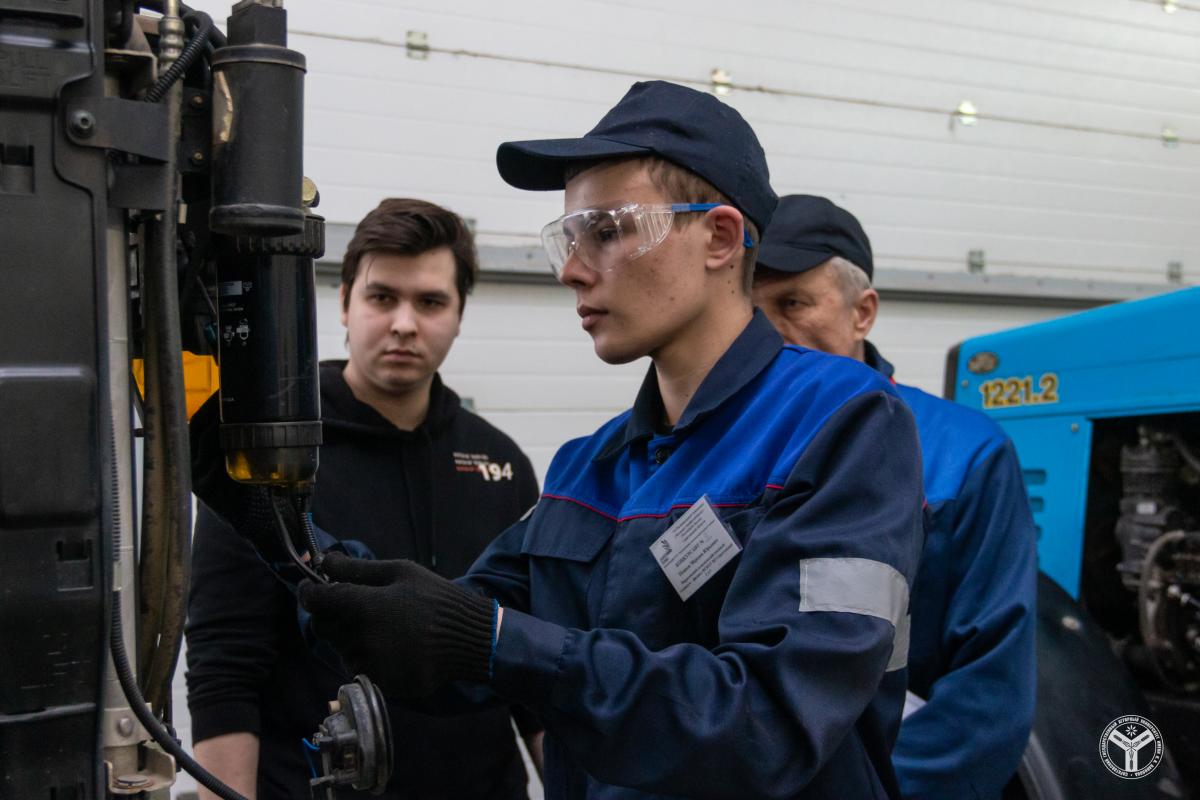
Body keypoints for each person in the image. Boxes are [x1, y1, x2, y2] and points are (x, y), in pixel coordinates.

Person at [291, 81, 926, 799]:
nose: (570, 268)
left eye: (608, 230)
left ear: (719, 237)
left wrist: (497, 644)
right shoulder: (587, 468)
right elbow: (446, 647)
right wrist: (277, 529)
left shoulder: (844, 425)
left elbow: (769, 723)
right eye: (568, 238)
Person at [185, 198, 543, 800]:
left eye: (430, 302)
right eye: (383, 297)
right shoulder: (269, 454)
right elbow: (225, 669)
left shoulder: (501, 463)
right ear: (345, 303)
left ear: (458, 315)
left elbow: (526, 658)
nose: (405, 322)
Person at [751, 194, 1037, 800]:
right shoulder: (718, 454)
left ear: (863, 313)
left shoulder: (964, 456)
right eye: (748, 310)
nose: (768, 333)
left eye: (793, 302)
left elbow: (991, 692)